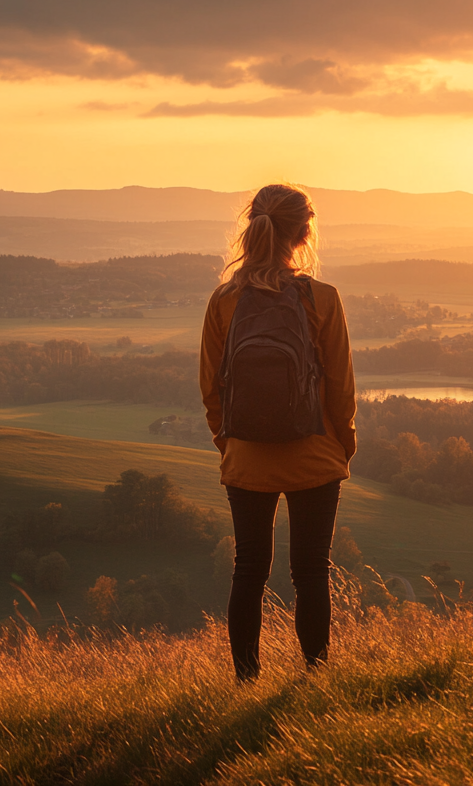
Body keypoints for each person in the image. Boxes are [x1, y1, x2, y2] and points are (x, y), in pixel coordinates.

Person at [200, 183, 357, 680]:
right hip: (315, 455)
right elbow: (340, 388)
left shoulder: (224, 300)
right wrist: (340, 447)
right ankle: (315, 679)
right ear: (304, 232)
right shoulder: (323, 298)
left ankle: (246, 680)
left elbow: (211, 390)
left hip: (246, 459)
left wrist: (233, 447)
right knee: (311, 573)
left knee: (248, 571)